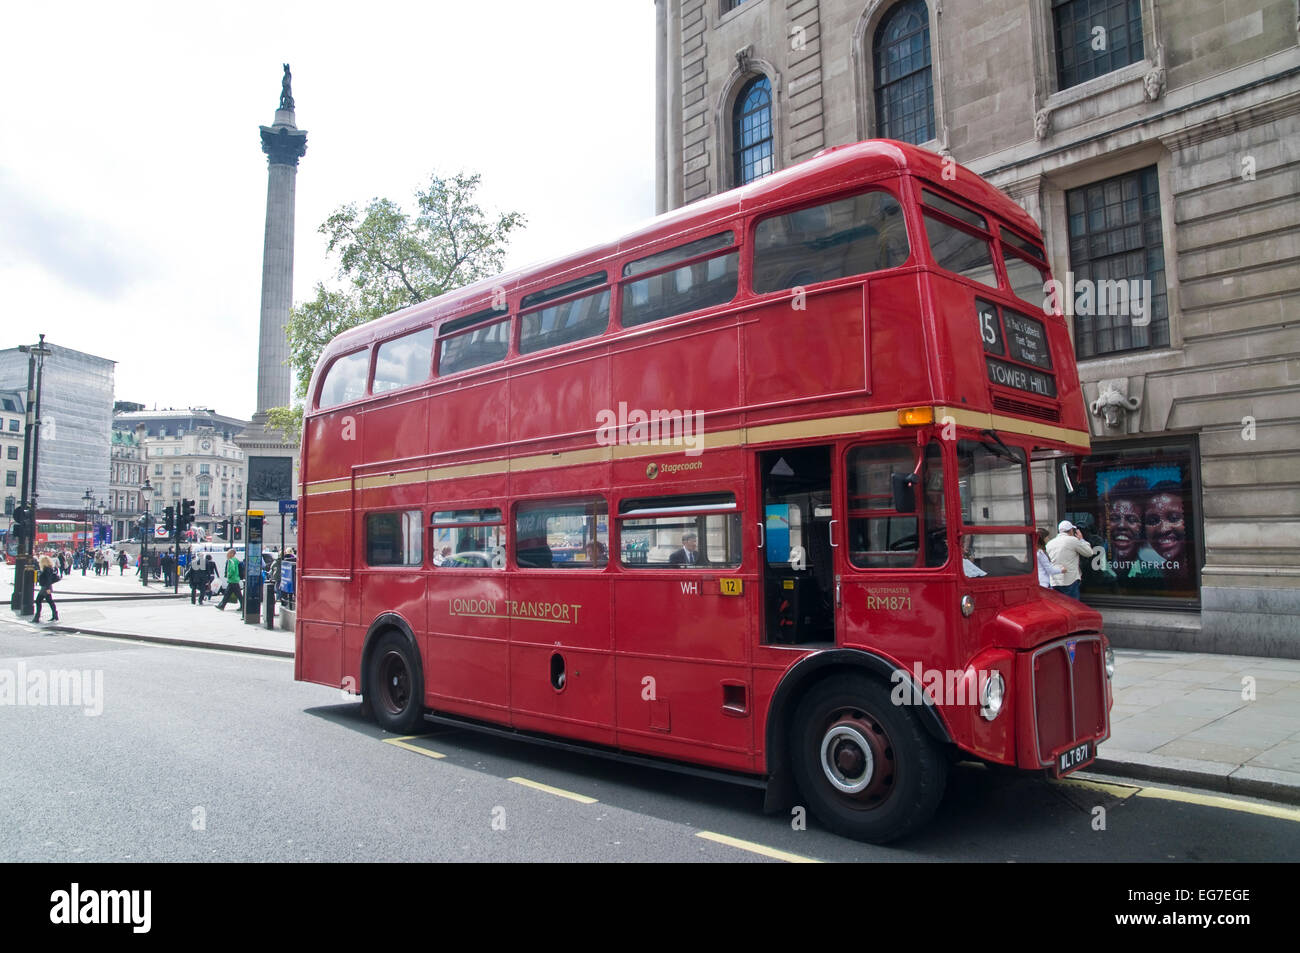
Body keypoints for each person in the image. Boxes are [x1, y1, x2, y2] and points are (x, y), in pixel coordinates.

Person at [1046, 519, 1095, 600]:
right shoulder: (1073, 540)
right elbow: (1089, 552)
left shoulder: (1050, 544)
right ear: (1071, 530)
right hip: (1070, 580)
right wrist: (1082, 539)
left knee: (1059, 607)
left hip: (1054, 580)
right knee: (1073, 607)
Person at [33, 554, 59, 623]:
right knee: (49, 601)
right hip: (47, 587)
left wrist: (47, 588)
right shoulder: (49, 568)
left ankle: (37, 617)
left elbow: (48, 579)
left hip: (45, 587)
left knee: (38, 601)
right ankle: (55, 615)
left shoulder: (46, 569)